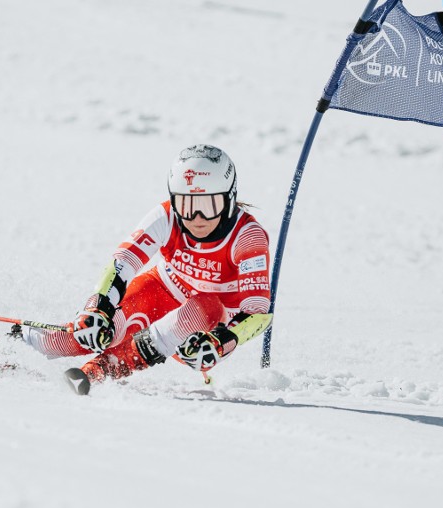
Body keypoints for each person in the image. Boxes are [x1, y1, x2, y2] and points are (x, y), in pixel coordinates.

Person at [16, 144, 273, 393]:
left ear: (229, 198)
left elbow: (258, 313)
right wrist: (97, 307)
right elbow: (123, 262)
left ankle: (103, 368)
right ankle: (6, 348)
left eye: (208, 206)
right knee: (95, 331)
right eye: (186, 205)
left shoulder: (248, 237)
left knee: (206, 306)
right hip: (161, 290)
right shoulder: (167, 216)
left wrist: (221, 343)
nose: (196, 218)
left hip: (205, 332)